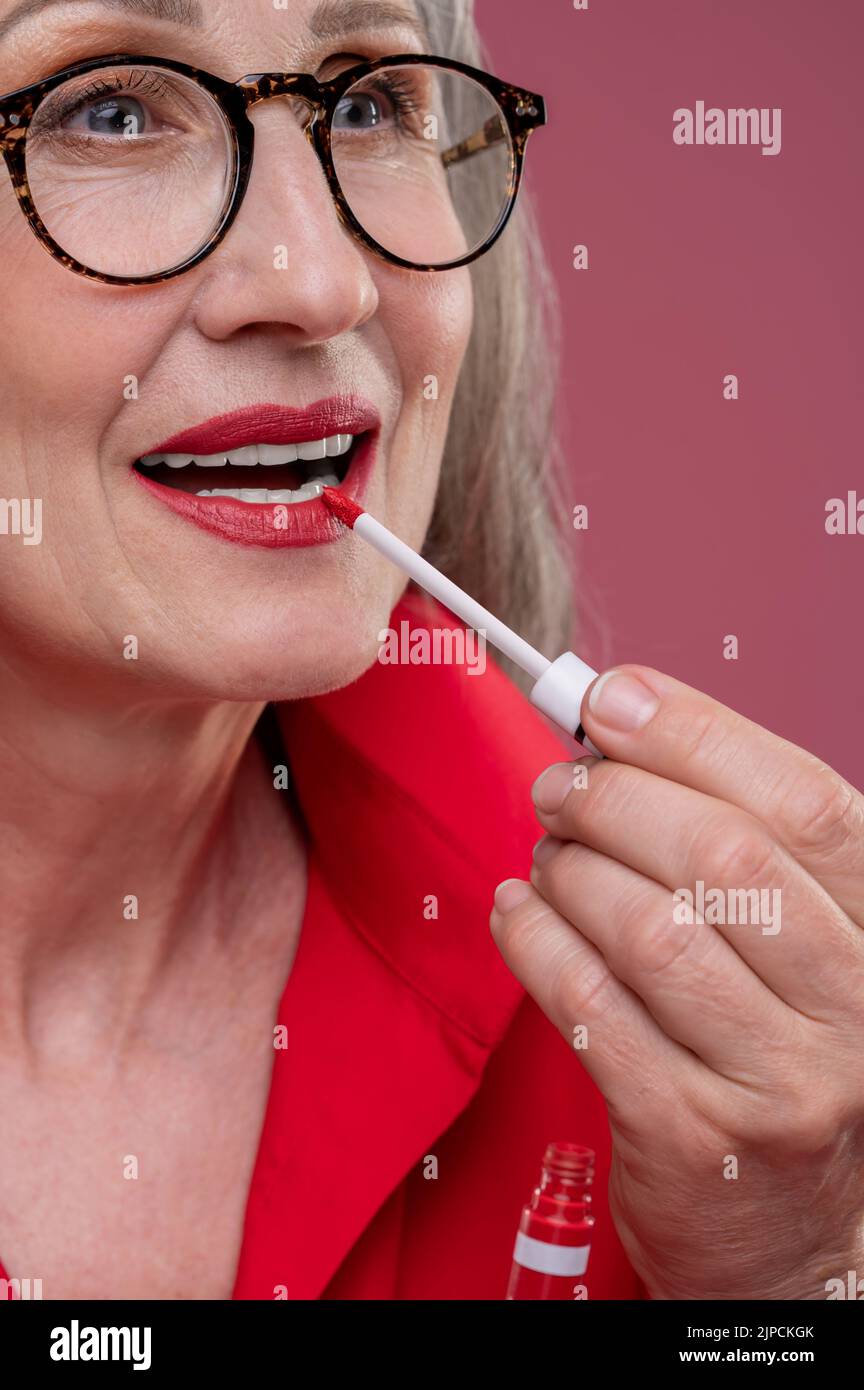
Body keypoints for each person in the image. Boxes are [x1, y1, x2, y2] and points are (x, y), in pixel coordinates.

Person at [0, 0, 860, 1301]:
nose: (320, 278)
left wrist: (797, 1284)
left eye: (363, 101)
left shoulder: (683, 1062)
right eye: (109, 109)